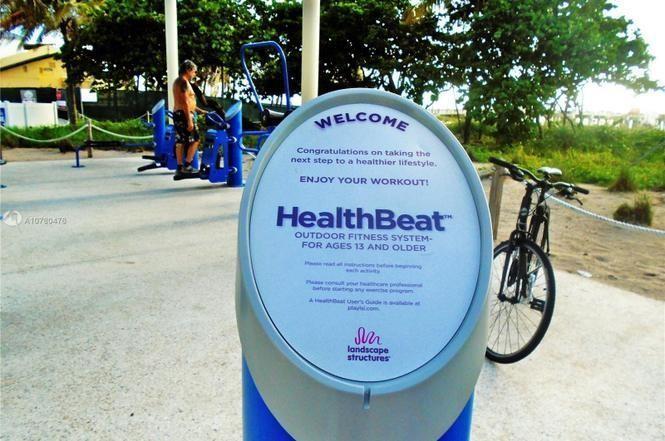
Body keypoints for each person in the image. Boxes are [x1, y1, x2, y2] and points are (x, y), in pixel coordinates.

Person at [172, 60, 206, 177]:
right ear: (188, 70)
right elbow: (185, 103)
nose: (195, 74)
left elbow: (188, 102)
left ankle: (180, 168)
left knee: (181, 140)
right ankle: (186, 165)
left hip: (180, 114)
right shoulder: (183, 82)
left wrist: (199, 110)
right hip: (184, 115)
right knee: (196, 139)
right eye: (194, 71)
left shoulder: (179, 81)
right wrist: (190, 120)